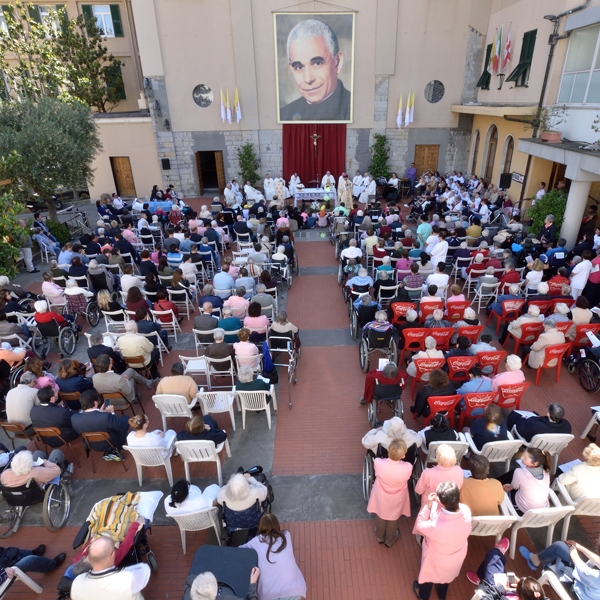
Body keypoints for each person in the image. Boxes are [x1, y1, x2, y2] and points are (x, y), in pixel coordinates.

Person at [279, 18, 350, 121]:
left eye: (317, 63)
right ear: (291, 68)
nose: (308, 79)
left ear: (337, 62)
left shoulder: (355, 107)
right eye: (299, 67)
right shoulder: (285, 115)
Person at [413, 481, 471, 600]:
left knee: (428, 577)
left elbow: (419, 525)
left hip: (436, 558)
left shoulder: (437, 525)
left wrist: (428, 506)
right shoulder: (466, 510)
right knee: (446, 577)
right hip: (456, 556)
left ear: (441, 503)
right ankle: (442, 594)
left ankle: (423, 596)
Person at [238, 513, 307, 600]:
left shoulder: (256, 541)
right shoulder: (286, 535)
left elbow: (239, 550)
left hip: (269, 596)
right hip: (295, 591)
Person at [365, 438, 412, 547]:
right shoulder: (408, 467)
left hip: (381, 495)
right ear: (403, 455)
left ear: (388, 450)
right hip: (397, 497)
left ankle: (380, 536)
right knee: (393, 517)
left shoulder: (378, 463)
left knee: (380, 514)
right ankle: (389, 540)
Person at [71, 536, 150, 600]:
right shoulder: (127, 579)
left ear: (89, 558)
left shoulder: (77, 582)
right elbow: (145, 569)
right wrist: (123, 570)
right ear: (112, 555)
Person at [518, 539, 600, 600]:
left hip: (576, 592)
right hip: (589, 584)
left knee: (557, 551)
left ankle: (540, 562)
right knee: (559, 547)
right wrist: (580, 547)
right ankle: (536, 560)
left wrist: (573, 547)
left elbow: (576, 560)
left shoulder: (596, 576)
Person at [499, 447, 551, 514]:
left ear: (534, 463)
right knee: (513, 474)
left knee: (510, 479)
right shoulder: (546, 471)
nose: (521, 458)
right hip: (542, 510)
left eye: (525, 458)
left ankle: (494, 484)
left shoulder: (519, 472)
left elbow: (515, 486)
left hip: (524, 510)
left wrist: (511, 486)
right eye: (523, 455)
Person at [92, 354, 157, 406]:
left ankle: (147, 383)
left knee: (130, 371)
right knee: (131, 379)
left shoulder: (94, 377)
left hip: (108, 400)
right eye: (110, 359)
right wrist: (125, 380)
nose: (111, 360)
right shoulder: (119, 379)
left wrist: (122, 379)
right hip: (123, 399)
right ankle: (137, 396)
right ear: (109, 365)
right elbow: (128, 391)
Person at [507, 402, 572, 442]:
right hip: (552, 446)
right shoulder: (567, 426)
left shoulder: (536, 425)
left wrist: (522, 419)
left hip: (533, 443)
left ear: (549, 414)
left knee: (514, 415)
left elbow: (520, 429)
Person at [0, 448, 65, 488]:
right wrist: (45, 462)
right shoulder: (36, 472)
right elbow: (57, 470)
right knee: (56, 452)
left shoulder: (5, 475)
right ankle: (64, 471)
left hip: (23, 493)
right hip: (39, 487)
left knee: (37, 453)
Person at [188, 570, 260, 600]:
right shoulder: (227, 598)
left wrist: (200, 585)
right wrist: (253, 585)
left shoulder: (187, 595)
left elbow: (189, 579)